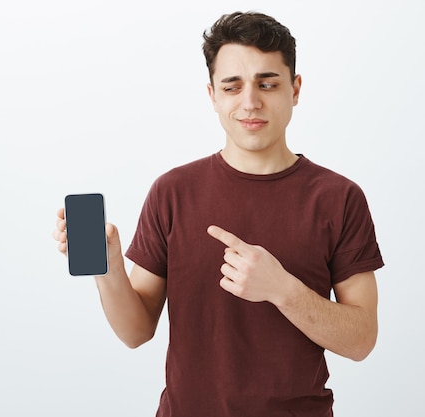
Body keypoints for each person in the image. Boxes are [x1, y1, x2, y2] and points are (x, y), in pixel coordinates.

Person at [53, 11, 383, 417]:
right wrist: (108, 268)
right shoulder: (172, 192)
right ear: (212, 95)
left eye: (268, 83)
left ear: (295, 90)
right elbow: (136, 331)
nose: (250, 102)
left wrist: (282, 289)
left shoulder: (339, 198)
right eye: (233, 86)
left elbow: (362, 339)